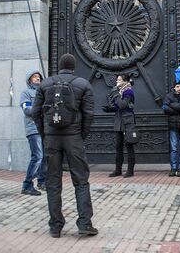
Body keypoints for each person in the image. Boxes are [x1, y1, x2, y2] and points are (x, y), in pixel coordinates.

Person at [31, 53, 97, 238]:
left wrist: (44, 133)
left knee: (53, 181)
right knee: (81, 180)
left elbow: (35, 112)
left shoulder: (44, 85)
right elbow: (89, 114)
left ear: (59, 66)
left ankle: (55, 226)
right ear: (73, 67)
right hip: (73, 137)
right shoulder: (83, 84)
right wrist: (81, 134)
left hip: (52, 137)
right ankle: (85, 223)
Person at [103, 74, 136, 178]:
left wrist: (116, 94)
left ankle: (130, 171)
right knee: (118, 146)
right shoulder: (120, 92)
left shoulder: (128, 92)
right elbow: (118, 107)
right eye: (117, 80)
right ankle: (118, 170)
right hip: (119, 120)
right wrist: (109, 109)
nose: (117, 82)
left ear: (125, 81)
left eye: (119, 80)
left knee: (129, 145)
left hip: (127, 120)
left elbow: (123, 105)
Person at [20, 70, 47, 196]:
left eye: (38, 77)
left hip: (44, 128)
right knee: (37, 157)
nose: (37, 78)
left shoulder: (43, 92)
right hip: (33, 129)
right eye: (34, 77)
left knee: (44, 158)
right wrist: (42, 108)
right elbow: (27, 110)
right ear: (29, 79)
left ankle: (42, 182)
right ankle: (27, 185)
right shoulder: (26, 93)